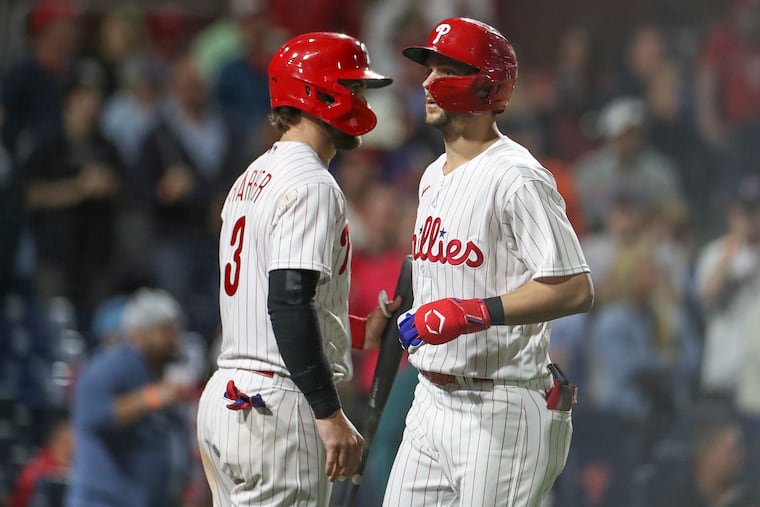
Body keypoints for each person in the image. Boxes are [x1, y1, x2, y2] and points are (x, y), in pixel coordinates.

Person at [383, 18, 594, 506]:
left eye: (444, 70)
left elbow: (575, 288)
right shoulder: (432, 174)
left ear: (486, 84)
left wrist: (473, 311)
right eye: (428, 69)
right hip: (431, 397)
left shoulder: (518, 177)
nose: (428, 83)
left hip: (500, 404)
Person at [195, 32, 400, 506]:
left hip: (228, 397)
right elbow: (287, 300)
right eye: (354, 88)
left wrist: (353, 330)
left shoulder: (251, 177)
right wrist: (329, 414)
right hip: (278, 406)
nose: (361, 101)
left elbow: (271, 299)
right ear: (320, 92)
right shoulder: (312, 182)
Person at [66, 288, 195, 507]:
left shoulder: (164, 373)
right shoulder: (108, 366)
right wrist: (151, 397)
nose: (175, 338)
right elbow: (91, 415)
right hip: (104, 500)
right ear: (139, 334)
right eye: (166, 330)